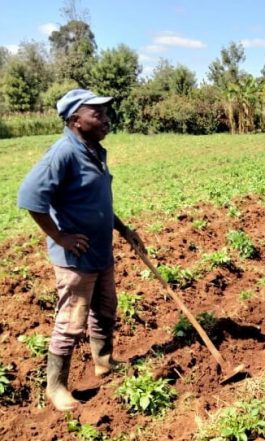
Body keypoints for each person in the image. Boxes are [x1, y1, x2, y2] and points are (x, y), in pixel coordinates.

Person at [17, 89, 145, 411]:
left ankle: (103, 361)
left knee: (105, 308)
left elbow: (98, 203)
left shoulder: (94, 151)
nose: (105, 120)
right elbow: (30, 197)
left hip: (101, 251)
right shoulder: (63, 153)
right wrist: (61, 237)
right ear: (76, 120)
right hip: (76, 260)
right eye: (97, 114)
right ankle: (56, 387)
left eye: (105, 113)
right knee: (71, 322)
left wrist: (123, 229)